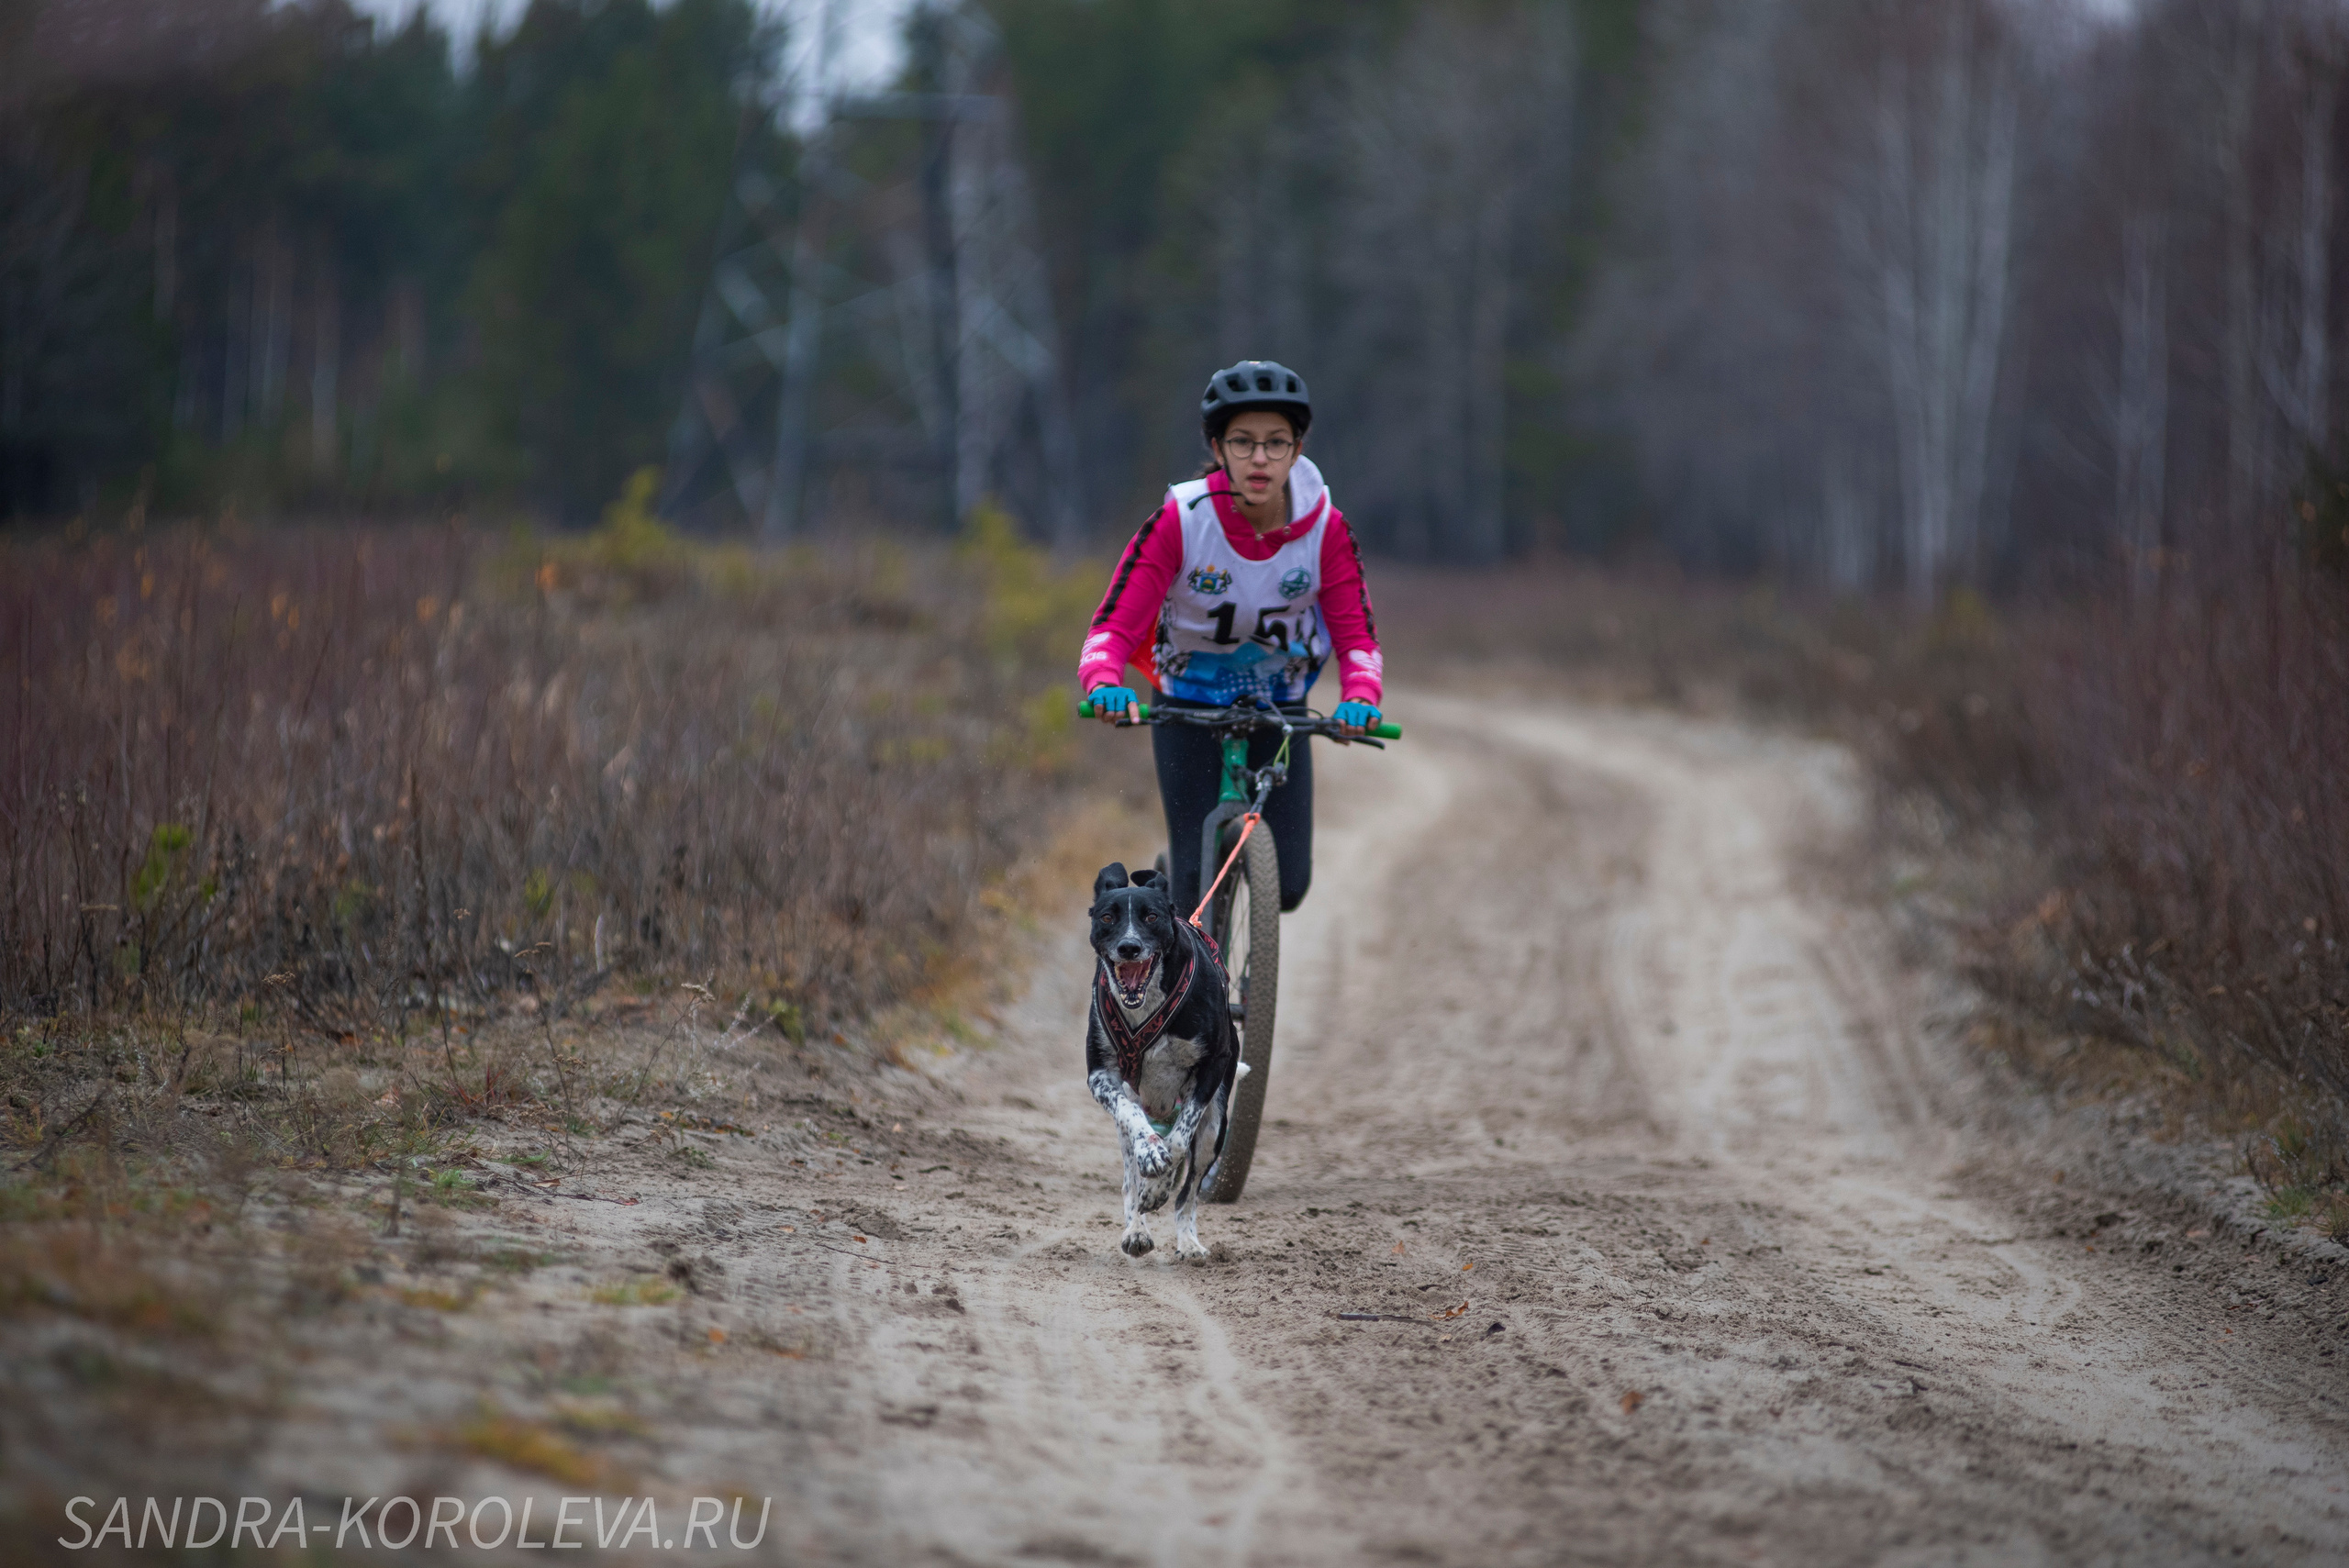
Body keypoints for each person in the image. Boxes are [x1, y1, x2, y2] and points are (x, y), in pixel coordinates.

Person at [1079, 359, 1383, 916]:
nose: (1260, 458)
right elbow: (1114, 624)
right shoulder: (1183, 520)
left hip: (1279, 708)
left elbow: (1356, 635)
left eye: (1276, 442)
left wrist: (1360, 697)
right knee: (1194, 888)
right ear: (1217, 448)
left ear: (1297, 449)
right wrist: (1105, 681)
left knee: (1289, 887)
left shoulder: (1326, 529)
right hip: (1186, 704)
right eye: (1243, 442)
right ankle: (1182, 913)